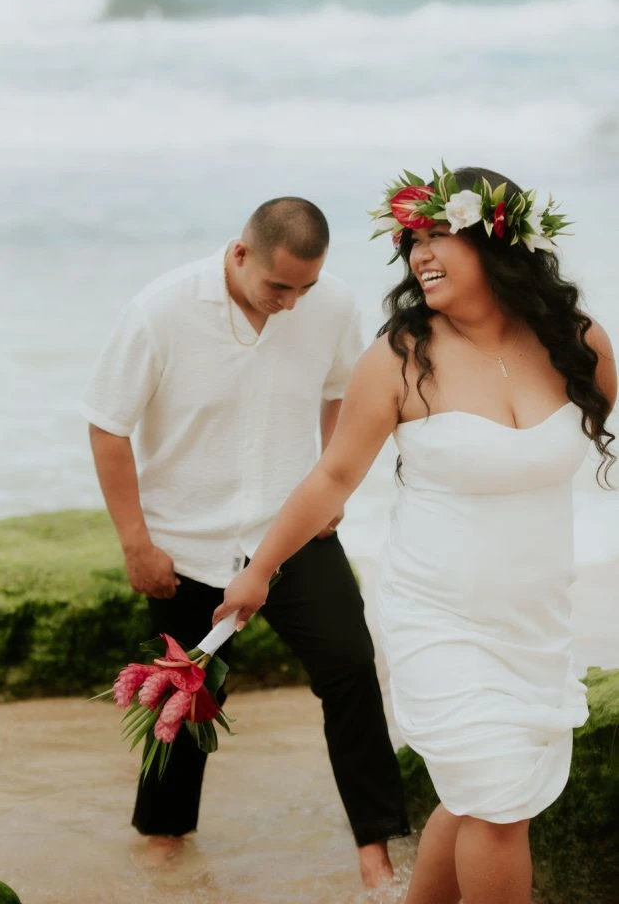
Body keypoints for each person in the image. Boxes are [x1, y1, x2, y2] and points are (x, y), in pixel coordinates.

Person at [213, 166, 617, 904]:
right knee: (499, 807)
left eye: (439, 235)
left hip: (535, 622)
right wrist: (260, 570)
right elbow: (333, 478)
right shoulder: (402, 357)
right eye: (412, 240)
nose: (419, 253)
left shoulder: (577, 344)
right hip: (437, 616)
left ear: (499, 243)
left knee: (474, 798)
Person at [80, 196, 409, 888]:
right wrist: (136, 543)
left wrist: (331, 487)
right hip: (186, 540)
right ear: (239, 255)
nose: (292, 302)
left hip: (292, 532)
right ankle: (166, 840)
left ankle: (376, 846)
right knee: (186, 697)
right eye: (278, 287)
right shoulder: (159, 311)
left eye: (306, 287)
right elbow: (108, 425)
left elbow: (338, 393)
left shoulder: (331, 304)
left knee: (351, 666)